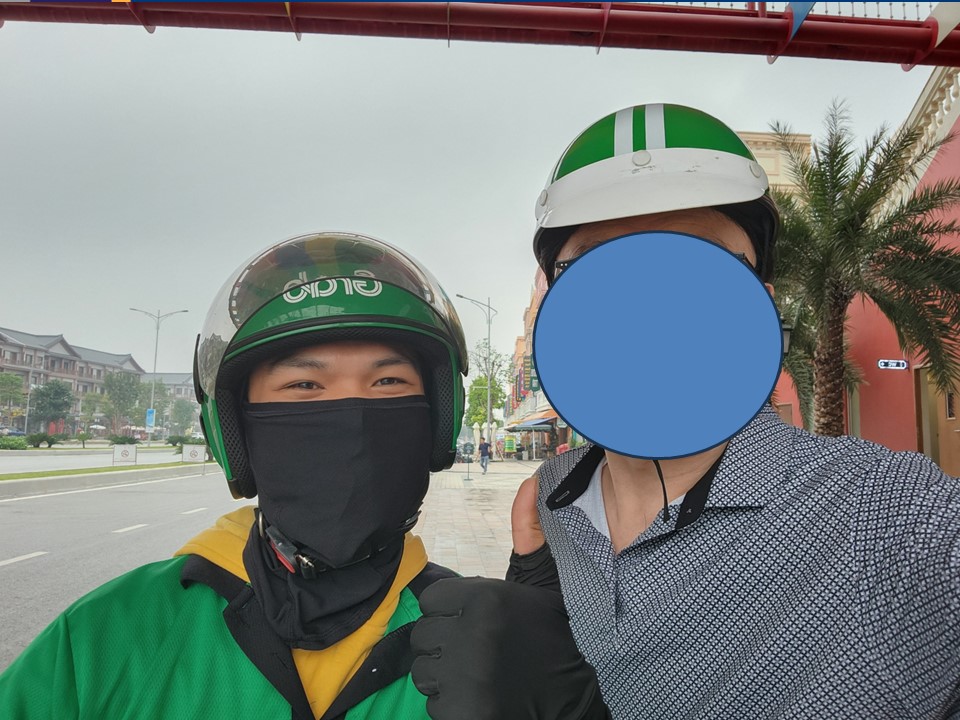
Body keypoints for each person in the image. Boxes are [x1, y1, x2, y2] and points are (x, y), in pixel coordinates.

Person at [410, 104, 960, 718]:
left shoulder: (893, 513)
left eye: (697, 259)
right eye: (597, 263)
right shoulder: (550, 501)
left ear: (759, 304)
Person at [0, 232, 470, 720]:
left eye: (389, 381)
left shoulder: (479, 636)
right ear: (234, 430)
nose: (352, 416)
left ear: (438, 418)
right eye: (304, 384)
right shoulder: (106, 634)